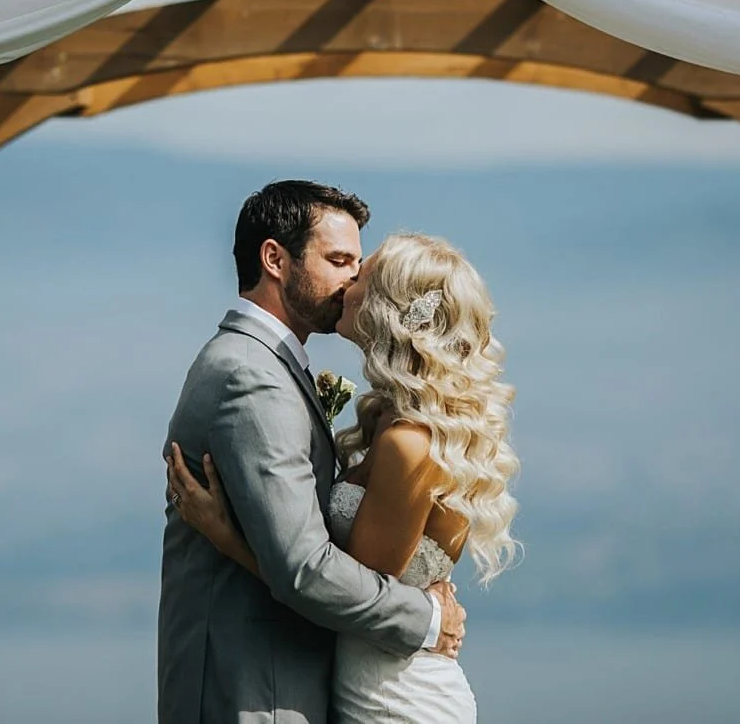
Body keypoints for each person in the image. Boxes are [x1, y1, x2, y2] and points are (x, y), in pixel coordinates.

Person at [167, 215, 520, 723]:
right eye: (342, 266)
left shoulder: (408, 445)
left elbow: (346, 597)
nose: (347, 287)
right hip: (366, 682)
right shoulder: (385, 419)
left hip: (397, 700)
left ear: (389, 310)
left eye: (360, 275)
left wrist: (225, 536)